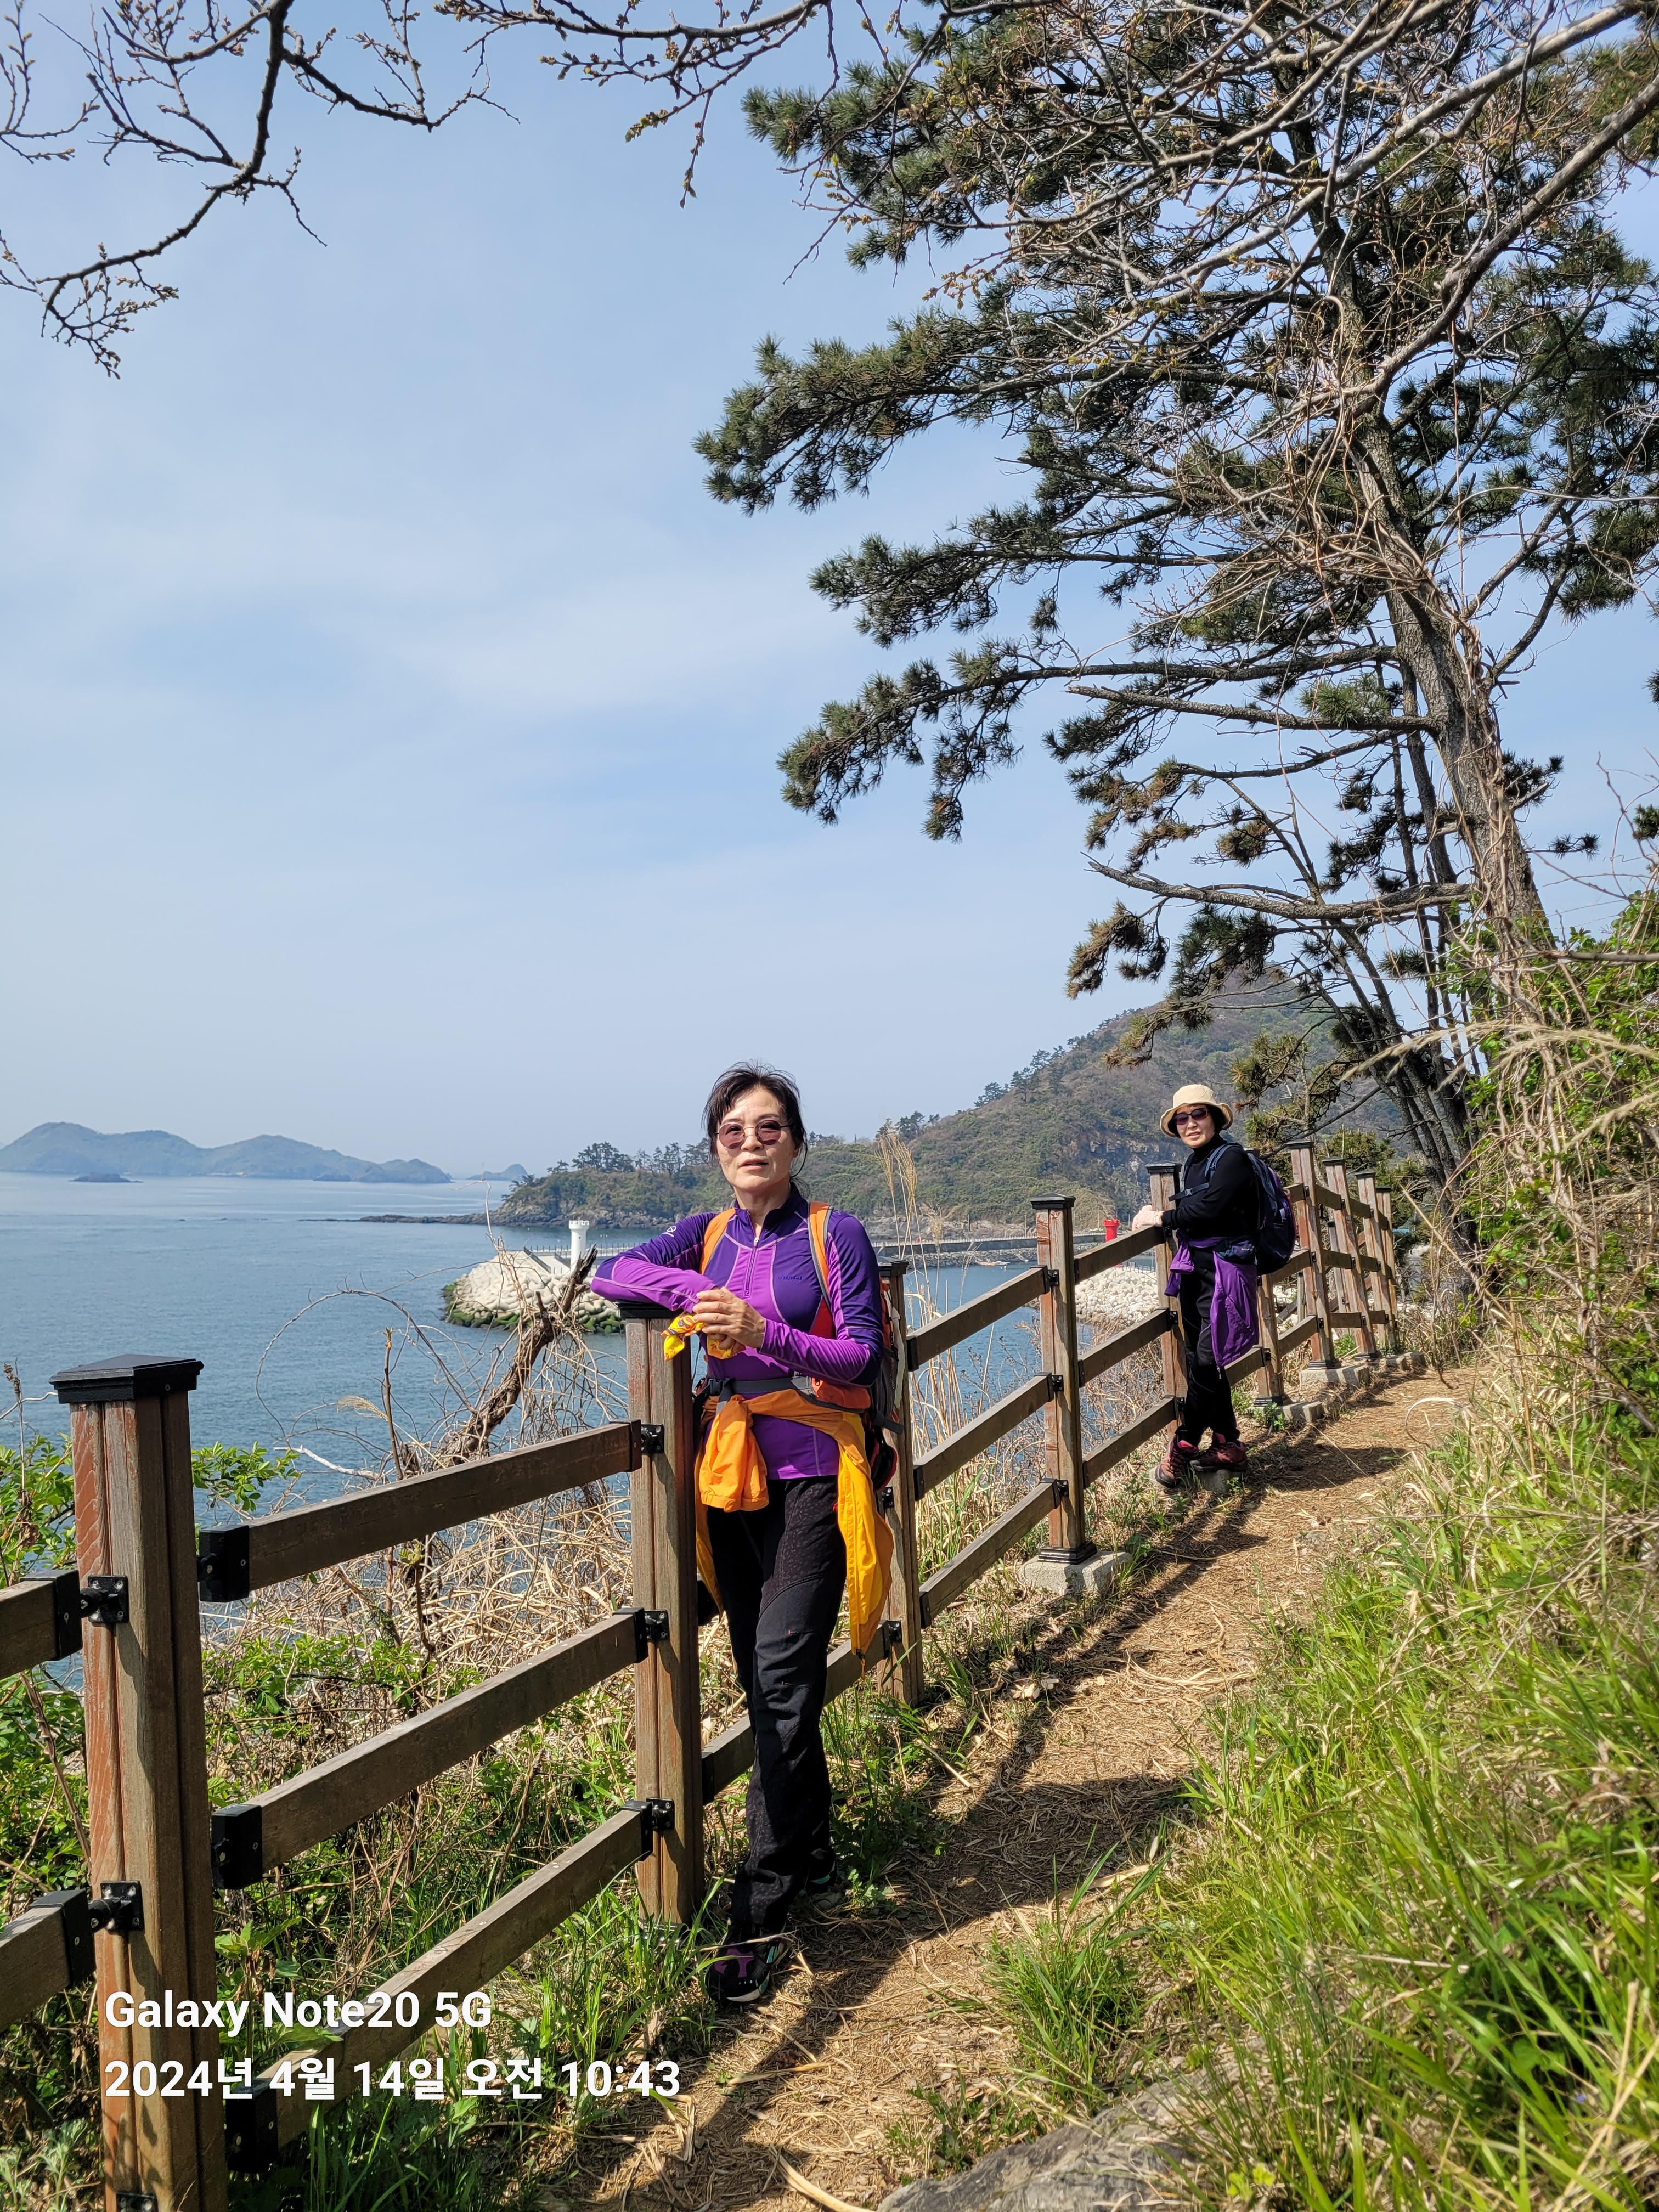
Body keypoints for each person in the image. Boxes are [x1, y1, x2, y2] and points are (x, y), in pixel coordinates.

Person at [591, 1065, 888, 2007]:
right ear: (716, 1148)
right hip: (729, 1478)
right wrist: (693, 1290)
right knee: (768, 1683)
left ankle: (757, 1913)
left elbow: (861, 1355)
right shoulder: (706, 1233)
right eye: (732, 1131)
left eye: (768, 1128)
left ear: (796, 1140)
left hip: (814, 1476)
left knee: (781, 1676)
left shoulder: (832, 1232)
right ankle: (813, 1849)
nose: (750, 1143)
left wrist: (759, 1327)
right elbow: (608, 1272)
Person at [1131, 1082, 1260, 1488]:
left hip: (1225, 1272)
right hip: (1193, 1272)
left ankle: (1184, 1444)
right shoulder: (1193, 1163)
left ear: (1215, 1118)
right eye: (1182, 1118)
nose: (1190, 1123)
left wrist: (1160, 1218)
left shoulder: (1232, 1158)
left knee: (1206, 1360)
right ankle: (1228, 1443)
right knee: (1198, 1359)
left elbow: (1210, 1209)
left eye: (1198, 1114)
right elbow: (1195, 1210)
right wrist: (1171, 1215)